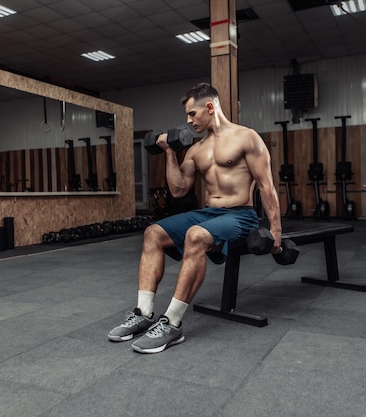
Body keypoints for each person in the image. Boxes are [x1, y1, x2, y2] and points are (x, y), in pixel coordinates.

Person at [108, 82, 282, 353]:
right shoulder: (196, 149)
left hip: (241, 215)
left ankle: (172, 324)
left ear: (210, 107)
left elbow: (266, 186)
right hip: (209, 212)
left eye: (192, 114)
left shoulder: (247, 137)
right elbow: (178, 190)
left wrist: (276, 233)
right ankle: (143, 314)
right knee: (153, 232)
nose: (189, 121)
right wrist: (168, 153)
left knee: (195, 235)